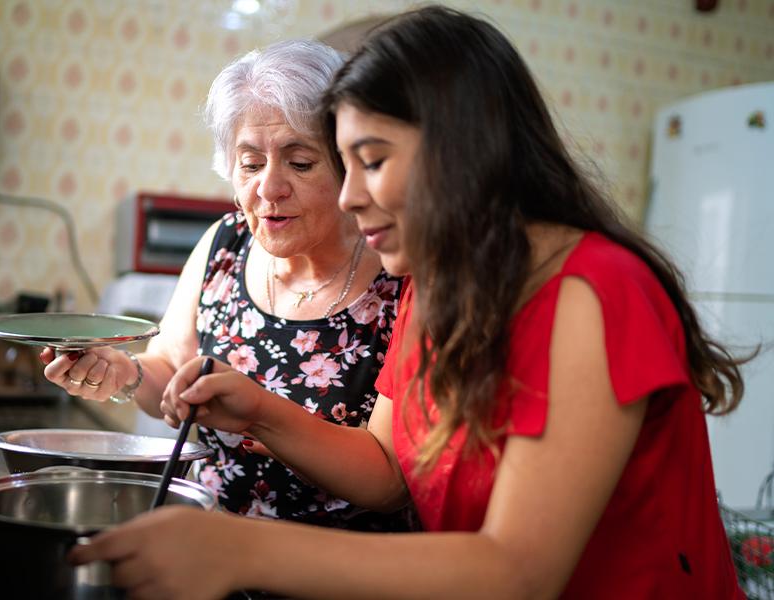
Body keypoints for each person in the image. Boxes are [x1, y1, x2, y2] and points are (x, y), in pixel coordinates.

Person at [65, 6, 750, 599]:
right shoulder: (441, 284)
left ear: (461, 152)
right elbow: (391, 471)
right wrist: (253, 411)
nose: (348, 194)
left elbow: (519, 571)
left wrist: (238, 550)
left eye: (370, 160)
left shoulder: (596, 291)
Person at [42, 39, 412, 531]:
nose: (269, 188)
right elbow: (172, 374)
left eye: (300, 163)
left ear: (348, 164)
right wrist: (124, 373)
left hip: (339, 568)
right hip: (212, 549)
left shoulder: (399, 274)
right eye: (251, 163)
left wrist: (261, 413)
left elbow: (388, 483)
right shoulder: (224, 244)